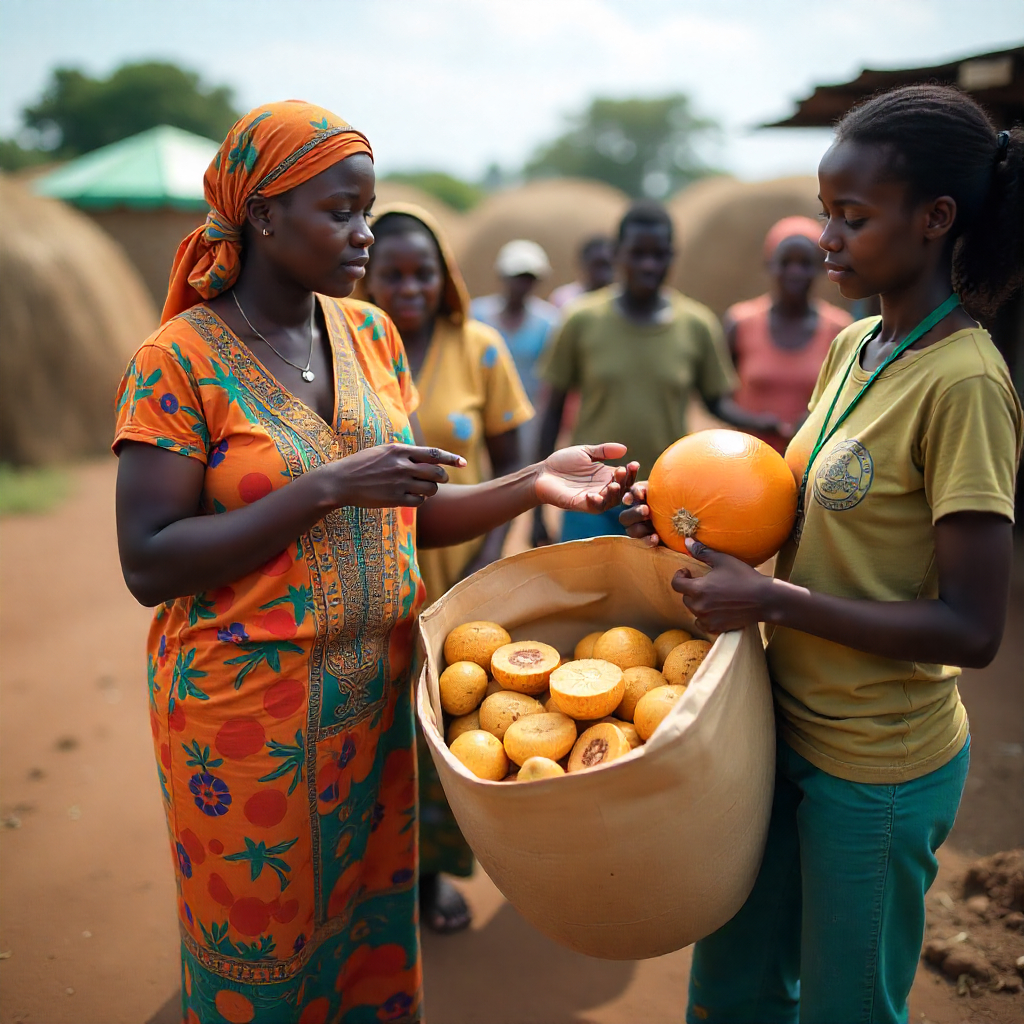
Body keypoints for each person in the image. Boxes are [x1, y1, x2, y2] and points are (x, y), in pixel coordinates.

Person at [113, 101, 636, 1023]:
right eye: (340, 213)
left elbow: (409, 514)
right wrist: (321, 488)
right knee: (262, 945)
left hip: (374, 705)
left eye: (368, 208)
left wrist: (533, 482)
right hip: (246, 720)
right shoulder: (178, 360)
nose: (362, 234)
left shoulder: (370, 336)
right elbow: (149, 562)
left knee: (360, 926)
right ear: (263, 215)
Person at [622, 85, 1022, 1023]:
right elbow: (794, 514)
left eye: (852, 216)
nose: (826, 237)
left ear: (935, 220)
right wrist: (683, 522)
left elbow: (973, 628)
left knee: (845, 1006)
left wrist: (771, 605)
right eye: (825, 210)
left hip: (876, 762)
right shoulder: (856, 347)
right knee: (734, 989)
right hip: (774, 728)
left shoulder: (965, 383)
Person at [357, 202, 534, 935]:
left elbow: (519, 458)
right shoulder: (345, 349)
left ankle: (430, 880)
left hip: (462, 575)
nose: (408, 287)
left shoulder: (480, 347)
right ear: (366, 280)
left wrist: (486, 568)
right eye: (391, 274)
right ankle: (370, 884)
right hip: (368, 580)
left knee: (448, 734)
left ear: (445, 277)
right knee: (369, 736)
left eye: (422, 272)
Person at [534, 199, 791, 546]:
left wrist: (759, 423)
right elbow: (551, 411)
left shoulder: (696, 325)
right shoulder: (581, 320)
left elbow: (716, 401)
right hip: (590, 492)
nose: (648, 265)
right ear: (617, 254)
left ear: (673, 255)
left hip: (666, 498)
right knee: (588, 593)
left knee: (655, 597)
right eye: (637, 253)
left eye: (659, 254)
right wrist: (537, 507)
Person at [725, 216, 852, 452]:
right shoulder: (741, 323)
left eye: (805, 263)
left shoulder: (840, 330)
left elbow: (846, 399)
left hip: (812, 463)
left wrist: (813, 421)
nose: (795, 271)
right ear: (770, 264)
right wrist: (753, 422)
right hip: (745, 461)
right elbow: (717, 398)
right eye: (786, 262)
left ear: (820, 268)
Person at [470, 239, 560, 414]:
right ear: (502, 276)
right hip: (481, 410)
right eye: (517, 278)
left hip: (528, 413)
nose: (522, 285)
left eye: (529, 279)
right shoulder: (476, 315)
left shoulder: (549, 322)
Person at [548, 234, 615, 309]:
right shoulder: (565, 299)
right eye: (597, 265)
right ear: (583, 264)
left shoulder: (618, 302)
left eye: (608, 265)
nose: (603, 272)